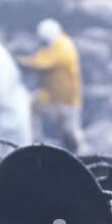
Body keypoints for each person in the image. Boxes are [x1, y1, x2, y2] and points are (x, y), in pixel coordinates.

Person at [18, 18, 84, 153]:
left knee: (70, 132)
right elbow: (40, 58)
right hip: (54, 97)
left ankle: (80, 156)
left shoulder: (63, 45)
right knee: (32, 105)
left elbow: (43, 63)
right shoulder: (54, 45)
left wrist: (21, 61)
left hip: (66, 100)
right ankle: (36, 143)